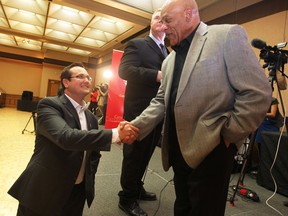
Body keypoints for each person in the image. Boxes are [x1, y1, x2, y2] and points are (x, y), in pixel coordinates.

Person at [128, 0, 272, 215]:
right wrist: (134, 126)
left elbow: (257, 93)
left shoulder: (226, 35)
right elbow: (160, 102)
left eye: (168, 20)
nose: (163, 26)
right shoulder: (169, 60)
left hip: (213, 149)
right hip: (177, 150)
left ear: (188, 14)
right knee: (182, 206)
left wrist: (228, 135)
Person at [8, 62, 139, 216]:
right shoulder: (50, 105)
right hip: (44, 188)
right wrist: (115, 134)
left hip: (76, 191)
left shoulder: (90, 118)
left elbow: (93, 154)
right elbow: (65, 137)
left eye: (88, 77)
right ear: (66, 82)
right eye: (80, 76)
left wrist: (86, 179)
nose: (87, 80)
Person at [117, 8, 168, 216]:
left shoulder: (167, 51)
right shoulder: (138, 44)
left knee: (146, 155)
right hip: (139, 111)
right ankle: (127, 198)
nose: (160, 22)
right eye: (156, 18)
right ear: (150, 22)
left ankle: (136, 187)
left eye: (164, 19)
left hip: (157, 112)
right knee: (134, 156)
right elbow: (124, 71)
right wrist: (156, 75)